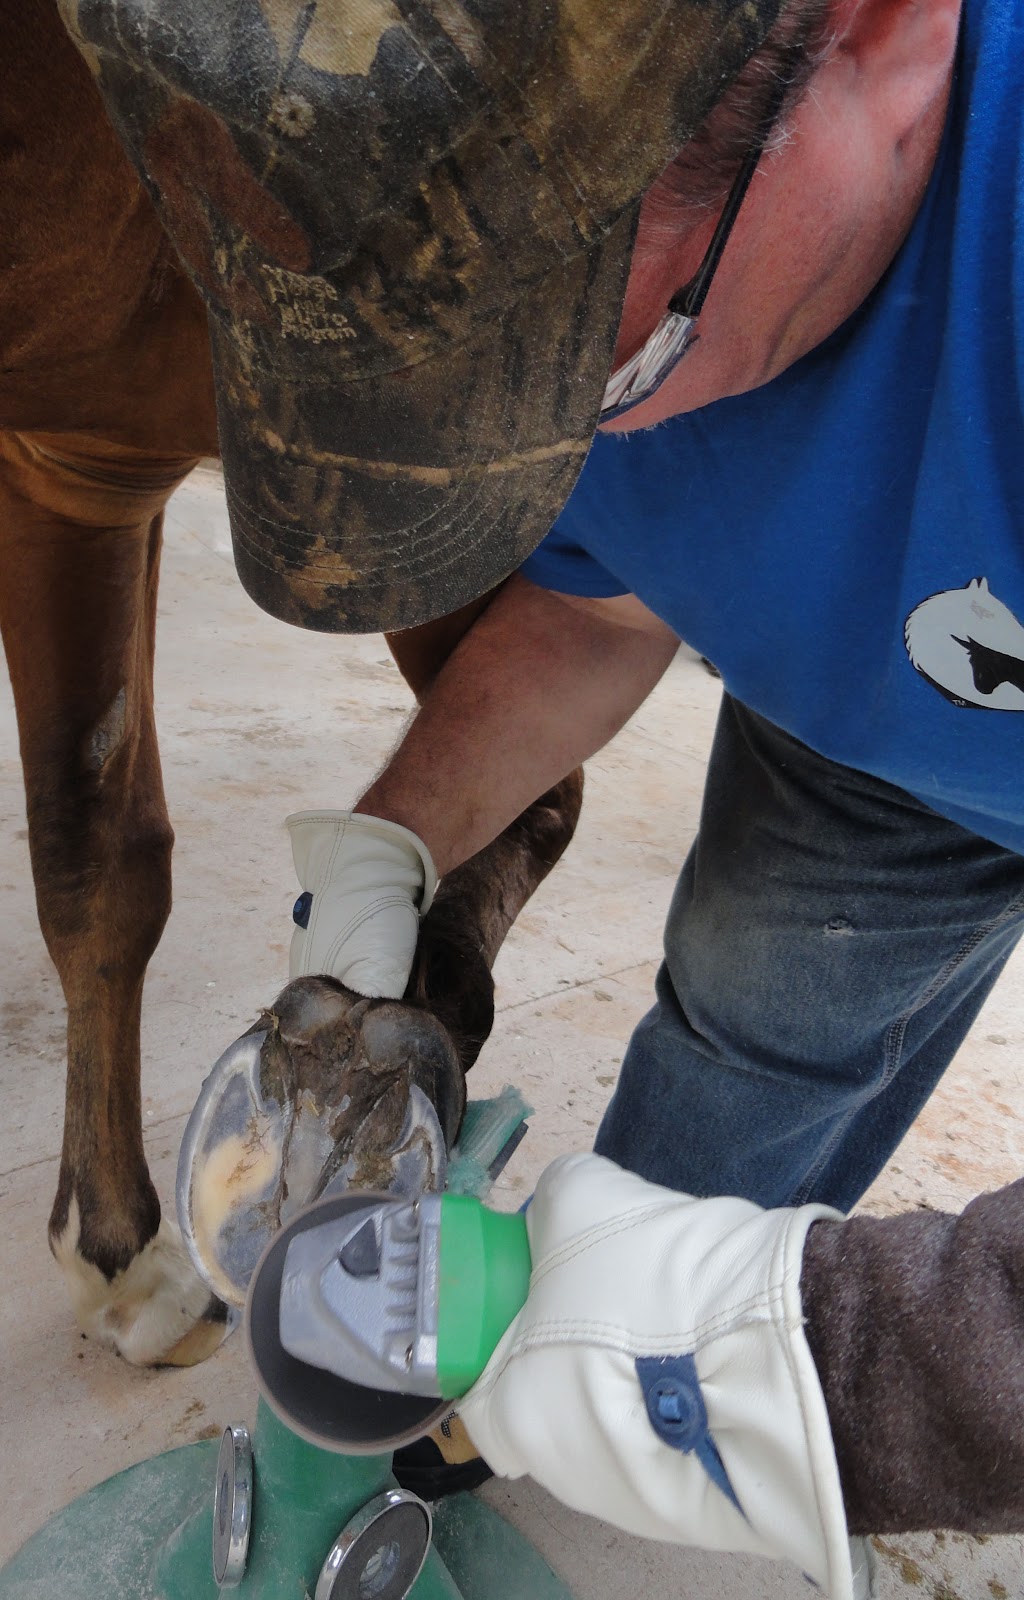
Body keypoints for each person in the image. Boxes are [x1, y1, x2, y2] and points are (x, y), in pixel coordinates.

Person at [66, 0, 1024, 1591]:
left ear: (881, 36)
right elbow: (599, 600)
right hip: (877, 739)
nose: (594, 439)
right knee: (745, 1036)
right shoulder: (624, 261)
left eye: (607, 360)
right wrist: (395, 851)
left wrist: (848, 1362)